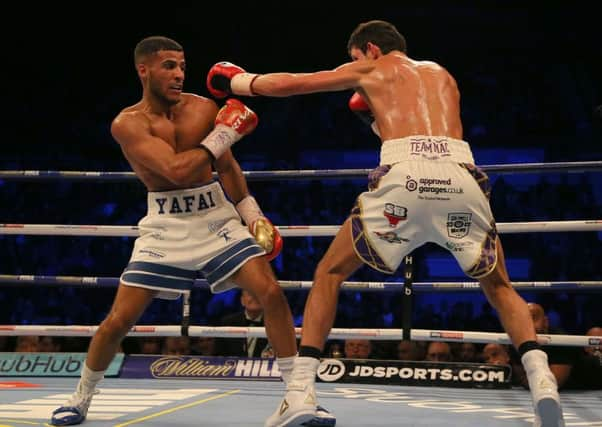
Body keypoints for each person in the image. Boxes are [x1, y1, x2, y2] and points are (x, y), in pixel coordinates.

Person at [206, 20, 565, 427]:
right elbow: (420, 128)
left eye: (354, 58)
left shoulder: (372, 69)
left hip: (404, 179)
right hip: (461, 174)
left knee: (329, 272)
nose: (354, 67)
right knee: (499, 285)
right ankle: (542, 381)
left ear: (370, 50)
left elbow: (294, 84)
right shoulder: (441, 74)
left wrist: (238, 81)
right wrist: (374, 120)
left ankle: (299, 393)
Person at [49, 35, 301, 426]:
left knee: (269, 292)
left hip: (215, 216)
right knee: (119, 320)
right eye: (169, 66)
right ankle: (80, 398)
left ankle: (298, 395)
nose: (179, 74)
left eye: (182, 66)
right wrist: (225, 133)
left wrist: (253, 215)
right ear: (143, 69)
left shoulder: (203, 108)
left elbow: (227, 166)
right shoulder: (127, 124)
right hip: (165, 225)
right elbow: (175, 170)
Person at [216, 289, 270, 357]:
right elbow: (221, 354)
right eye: (250, 294)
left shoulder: (274, 324)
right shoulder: (228, 322)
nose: (255, 297)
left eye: (258, 294)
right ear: (242, 301)